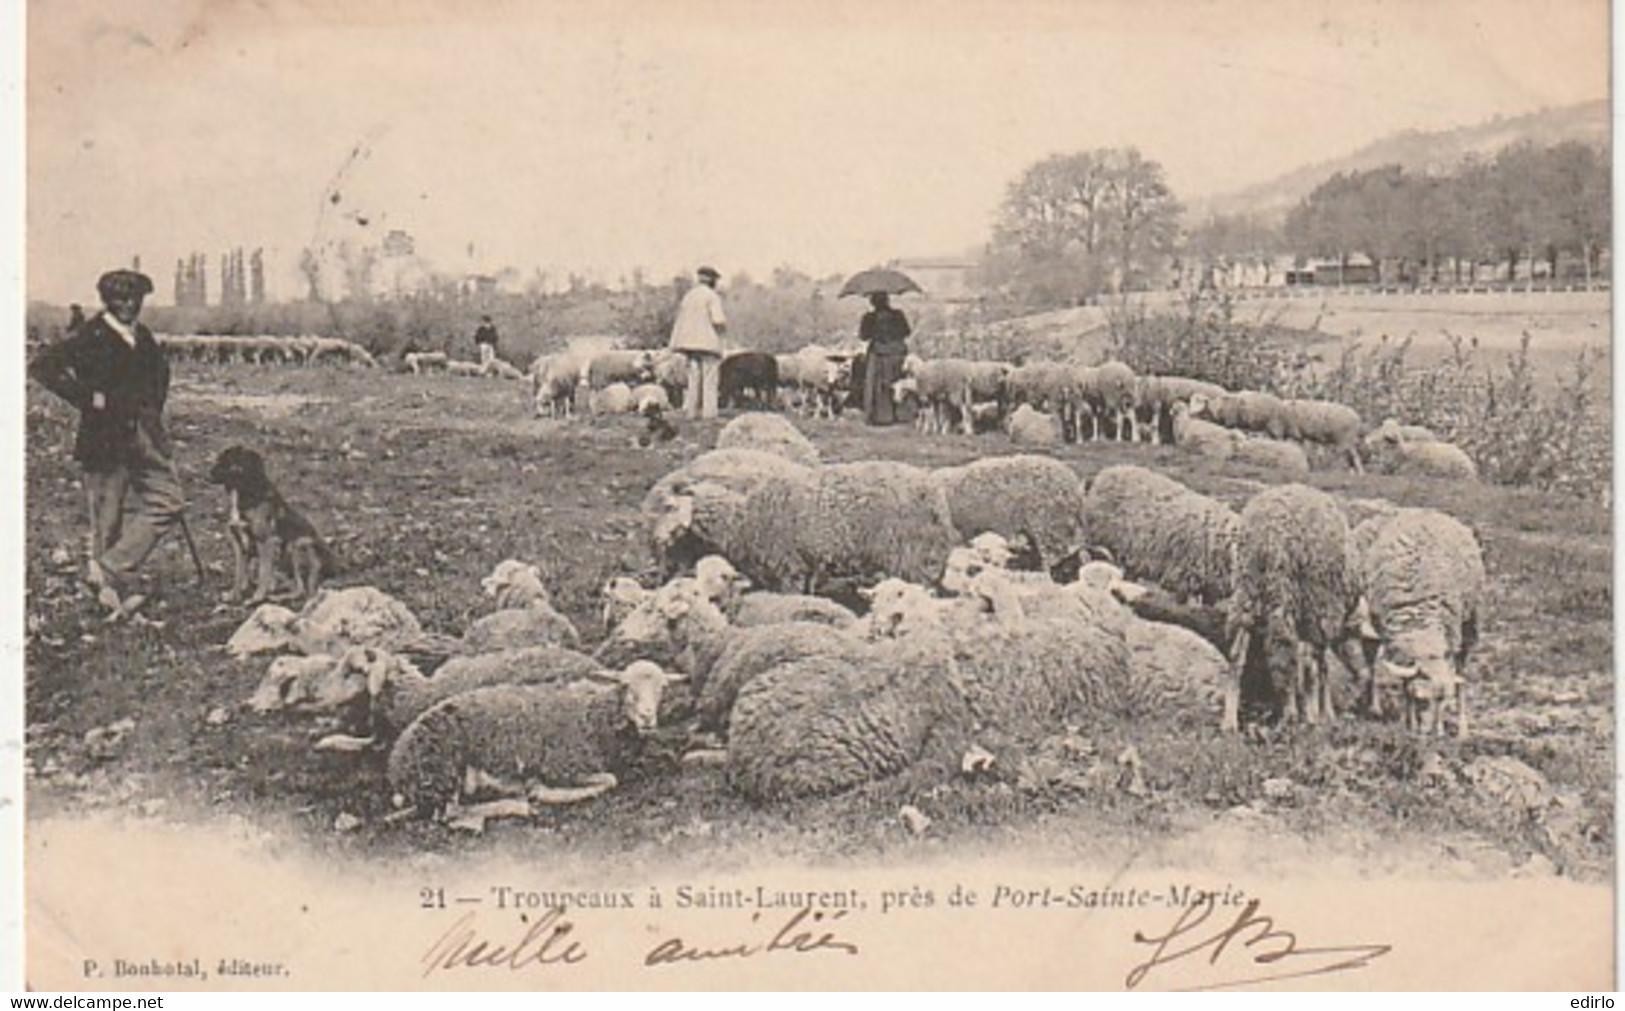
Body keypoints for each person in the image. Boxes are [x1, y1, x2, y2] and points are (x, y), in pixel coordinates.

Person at [30, 269, 182, 616]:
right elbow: (42, 366)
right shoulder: (90, 335)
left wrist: (153, 415)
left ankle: (111, 568)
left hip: (144, 436)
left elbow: (160, 377)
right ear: (106, 301)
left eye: (134, 298)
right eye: (119, 298)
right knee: (107, 520)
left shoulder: (143, 337)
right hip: (105, 439)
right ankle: (109, 597)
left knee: (170, 500)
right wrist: (88, 398)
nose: (128, 305)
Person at [668, 266, 727, 420]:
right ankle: (709, 414)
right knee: (710, 378)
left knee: (693, 379)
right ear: (711, 280)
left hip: (688, 344)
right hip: (707, 343)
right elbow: (718, 320)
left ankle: (691, 412)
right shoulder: (712, 296)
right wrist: (723, 333)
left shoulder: (689, 296)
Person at [859, 291, 912, 425]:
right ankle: (902, 415)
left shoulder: (869, 317)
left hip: (878, 354)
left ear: (873, 302)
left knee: (878, 385)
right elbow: (907, 332)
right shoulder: (898, 315)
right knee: (899, 382)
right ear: (888, 300)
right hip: (898, 353)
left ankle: (881, 417)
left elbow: (863, 336)